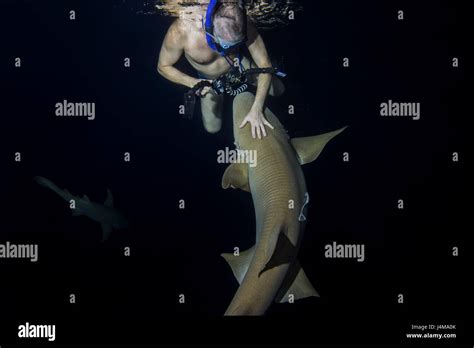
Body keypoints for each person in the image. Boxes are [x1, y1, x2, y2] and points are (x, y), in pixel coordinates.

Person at [157, 0, 284, 139]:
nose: (227, 50)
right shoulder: (180, 32)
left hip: (239, 64)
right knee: (212, 128)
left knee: (279, 90)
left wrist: (257, 108)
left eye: (234, 45)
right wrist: (193, 82)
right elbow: (163, 67)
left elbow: (264, 63)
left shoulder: (241, 20)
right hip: (208, 79)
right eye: (225, 45)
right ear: (211, 32)